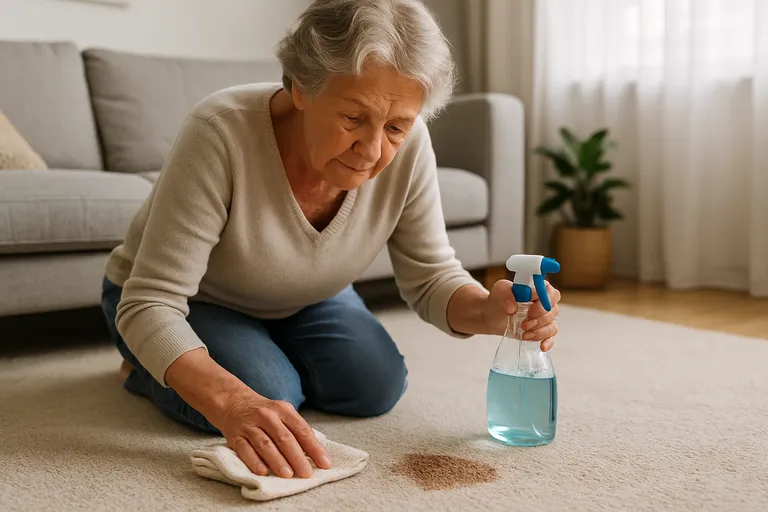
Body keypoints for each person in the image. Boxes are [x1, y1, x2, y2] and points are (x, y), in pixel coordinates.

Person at [101, 0, 562, 480]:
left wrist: (489, 311)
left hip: (307, 296)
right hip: (190, 300)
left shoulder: (411, 143)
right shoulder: (220, 131)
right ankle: (142, 364)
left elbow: (431, 276)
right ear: (301, 86)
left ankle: (254, 354)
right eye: (352, 118)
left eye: (396, 126)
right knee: (266, 388)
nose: (372, 150)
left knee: (374, 386)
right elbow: (150, 302)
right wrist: (234, 400)